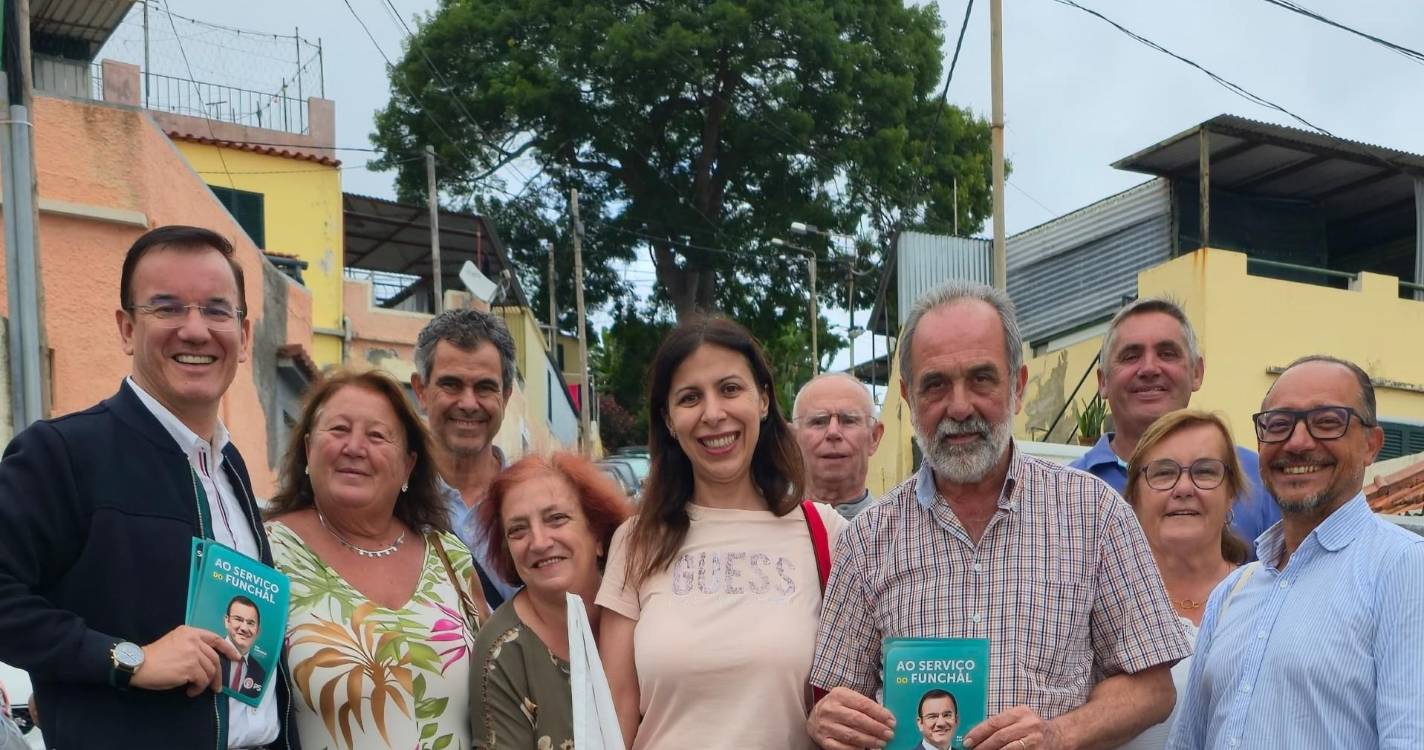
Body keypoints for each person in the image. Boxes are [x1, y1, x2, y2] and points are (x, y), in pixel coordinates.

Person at [809, 281, 1190, 750]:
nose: (960, 406)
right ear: (908, 398)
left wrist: (1057, 734)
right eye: (935, 385)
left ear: (1018, 387)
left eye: (981, 379)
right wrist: (829, 719)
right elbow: (836, 698)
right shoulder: (867, 538)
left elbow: (1153, 688)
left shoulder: (1096, 514)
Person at [0, 225, 298, 748]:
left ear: (245, 335)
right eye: (166, 308)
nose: (195, 329)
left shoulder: (230, 467)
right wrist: (129, 659)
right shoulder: (62, 454)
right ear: (125, 328)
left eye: (215, 309)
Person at [597, 316, 850, 749]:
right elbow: (615, 713)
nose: (713, 414)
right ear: (669, 419)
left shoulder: (825, 534)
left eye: (730, 389)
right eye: (690, 397)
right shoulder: (635, 541)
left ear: (765, 401)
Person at [1167, 356, 1424, 748]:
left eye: (1327, 422)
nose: (1298, 442)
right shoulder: (1235, 590)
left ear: (1371, 446)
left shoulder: (1403, 568)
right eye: (1278, 425)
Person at [265, 368, 484, 750]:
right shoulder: (265, 552)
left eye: (377, 436)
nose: (354, 447)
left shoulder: (450, 557)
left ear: (408, 465)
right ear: (307, 449)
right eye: (338, 430)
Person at [1068, 298, 1279, 557]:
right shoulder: (1063, 492)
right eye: (1131, 356)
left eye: (1167, 354)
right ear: (1103, 382)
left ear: (1197, 372)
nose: (1148, 368)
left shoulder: (1258, 477)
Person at [470, 453, 633, 749]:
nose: (540, 542)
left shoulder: (647, 614)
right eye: (518, 530)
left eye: (556, 519)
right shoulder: (503, 650)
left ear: (597, 533)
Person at [1118, 410, 1248, 750]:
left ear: (1231, 493)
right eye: (1163, 473)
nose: (1184, 488)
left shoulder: (1265, 598)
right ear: (1133, 497)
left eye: (1205, 471)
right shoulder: (1103, 602)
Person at [412, 308, 521, 609]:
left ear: (506, 396)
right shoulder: (392, 501)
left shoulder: (536, 501)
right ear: (421, 390)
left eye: (485, 387)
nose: (469, 403)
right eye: (451, 385)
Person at [793, 372, 886, 518]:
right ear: (794, 438)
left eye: (849, 420)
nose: (833, 432)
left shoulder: (900, 533)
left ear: (874, 437)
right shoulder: (766, 528)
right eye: (818, 421)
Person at [222, 596, 266, 699]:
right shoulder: (208, 652)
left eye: (250, 623)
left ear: (258, 630)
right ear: (226, 621)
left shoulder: (260, 673)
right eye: (238, 619)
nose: (244, 628)